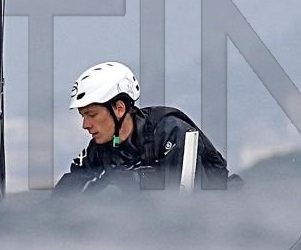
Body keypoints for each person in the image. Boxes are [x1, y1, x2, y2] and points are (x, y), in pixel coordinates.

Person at [53, 61, 233, 194]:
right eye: (83, 116)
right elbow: (66, 194)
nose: (85, 125)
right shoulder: (102, 147)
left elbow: (181, 203)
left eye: (92, 115)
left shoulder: (172, 132)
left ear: (119, 109)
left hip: (224, 220)